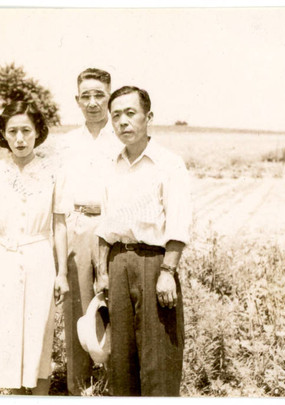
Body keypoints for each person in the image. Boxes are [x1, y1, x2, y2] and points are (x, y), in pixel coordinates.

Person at [95, 86, 192, 396]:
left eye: (130, 113)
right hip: (118, 262)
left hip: (154, 264)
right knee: (122, 360)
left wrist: (168, 272)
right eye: (116, 116)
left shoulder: (169, 163)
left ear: (148, 117)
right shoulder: (112, 164)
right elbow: (105, 224)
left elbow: (179, 223)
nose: (123, 122)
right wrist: (102, 271)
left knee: (158, 357)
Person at [0, 100, 70, 395]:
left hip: (40, 260)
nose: (20, 138)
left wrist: (62, 273)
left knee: (40, 333)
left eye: (26, 130)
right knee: (7, 336)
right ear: (3, 133)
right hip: (3, 261)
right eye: (12, 131)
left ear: (38, 132)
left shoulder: (54, 173)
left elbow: (60, 225)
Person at [60, 67, 122, 395]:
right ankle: (78, 388)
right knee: (78, 311)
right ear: (77, 100)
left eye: (99, 95)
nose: (93, 102)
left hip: (114, 229)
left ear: (110, 98)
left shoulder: (123, 138)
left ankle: (116, 389)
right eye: (86, 96)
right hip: (78, 227)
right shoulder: (67, 143)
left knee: (115, 307)